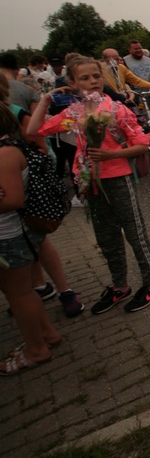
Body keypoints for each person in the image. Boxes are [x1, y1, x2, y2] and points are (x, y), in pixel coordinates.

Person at [30, 56, 150, 314]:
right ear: (73, 83)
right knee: (106, 237)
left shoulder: (116, 109)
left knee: (135, 233)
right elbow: (35, 130)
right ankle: (120, 285)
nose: (93, 81)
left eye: (96, 76)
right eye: (85, 78)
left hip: (119, 178)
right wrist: (46, 100)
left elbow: (141, 144)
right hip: (91, 181)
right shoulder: (74, 113)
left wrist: (112, 155)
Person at [0, 104, 62, 375]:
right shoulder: (12, 148)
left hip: (10, 235)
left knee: (19, 293)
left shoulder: (5, 154)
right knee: (21, 291)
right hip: (17, 233)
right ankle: (45, 334)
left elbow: (13, 199)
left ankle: (36, 349)